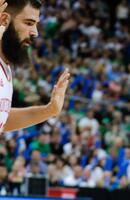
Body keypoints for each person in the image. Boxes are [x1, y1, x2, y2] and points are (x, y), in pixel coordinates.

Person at [0, 0, 71, 134]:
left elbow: (4, 119)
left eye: (36, 25)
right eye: (29, 23)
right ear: (4, 20)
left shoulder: (5, 68)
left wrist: (50, 110)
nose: (35, 32)